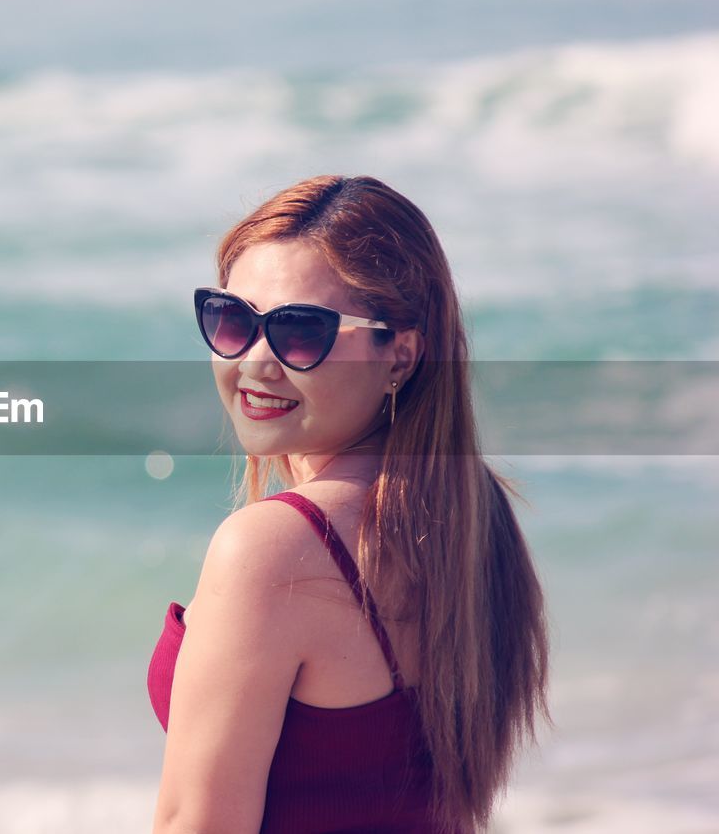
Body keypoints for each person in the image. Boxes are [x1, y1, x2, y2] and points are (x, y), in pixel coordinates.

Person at [147, 175, 551, 834]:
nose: (255, 360)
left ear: (401, 354)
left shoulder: (273, 549)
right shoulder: (477, 514)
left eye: (300, 331)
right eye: (232, 320)